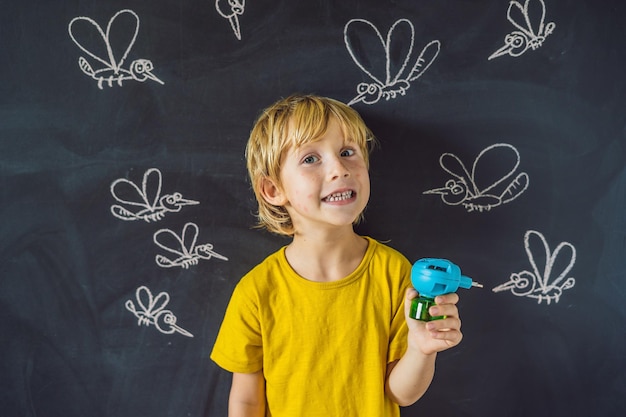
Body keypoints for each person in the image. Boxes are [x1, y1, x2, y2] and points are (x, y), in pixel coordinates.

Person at [210, 94, 463, 417]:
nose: (339, 169)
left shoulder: (395, 273)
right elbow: (246, 401)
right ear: (273, 190)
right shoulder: (256, 292)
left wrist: (421, 349)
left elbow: (401, 394)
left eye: (347, 152)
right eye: (310, 159)